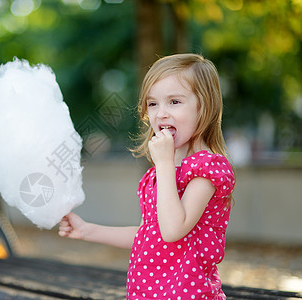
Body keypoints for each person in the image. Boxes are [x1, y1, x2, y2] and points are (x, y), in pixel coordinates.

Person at [58, 53, 235, 300]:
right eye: (153, 104)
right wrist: (87, 230)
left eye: (174, 102)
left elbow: (173, 230)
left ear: (204, 106)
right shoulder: (162, 171)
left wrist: (163, 164)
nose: (161, 113)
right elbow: (150, 236)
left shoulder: (206, 168)